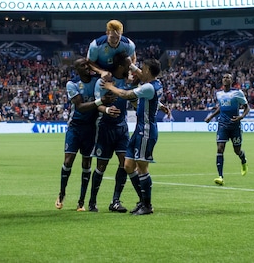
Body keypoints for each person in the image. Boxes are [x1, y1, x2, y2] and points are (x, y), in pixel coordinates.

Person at [102, 57, 169, 215]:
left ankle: (147, 205)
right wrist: (130, 63)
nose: (140, 71)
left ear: (147, 71)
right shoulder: (155, 83)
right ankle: (143, 200)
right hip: (139, 130)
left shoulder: (149, 87)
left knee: (142, 168)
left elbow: (125, 94)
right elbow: (140, 73)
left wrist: (110, 87)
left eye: (142, 68)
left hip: (146, 131)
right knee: (128, 165)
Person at [56, 58, 115, 212]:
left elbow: (108, 76)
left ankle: (81, 201)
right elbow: (80, 107)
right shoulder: (72, 84)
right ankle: (62, 193)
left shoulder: (97, 81)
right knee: (68, 161)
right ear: (77, 69)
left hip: (91, 128)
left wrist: (101, 72)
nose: (86, 67)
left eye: (87, 64)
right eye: (82, 65)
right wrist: (100, 101)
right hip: (75, 127)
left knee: (87, 163)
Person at [85, 52, 132, 213]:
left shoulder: (128, 81)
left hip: (122, 128)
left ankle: (116, 201)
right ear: (120, 66)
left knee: (124, 163)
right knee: (101, 166)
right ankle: (92, 201)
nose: (130, 68)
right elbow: (97, 104)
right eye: (128, 65)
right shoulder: (103, 81)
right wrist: (106, 109)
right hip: (105, 127)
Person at [204, 73, 250, 186]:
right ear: (222, 80)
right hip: (222, 125)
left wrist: (241, 117)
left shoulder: (237, 93)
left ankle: (243, 159)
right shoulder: (218, 94)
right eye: (224, 77)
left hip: (235, 125)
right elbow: (221, 107)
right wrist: (211, 116)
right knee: (220, 148)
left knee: (237, 150)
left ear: (232, 80)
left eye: (228, 77)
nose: (226, 79)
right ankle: (220, 176)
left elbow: (247, 107)